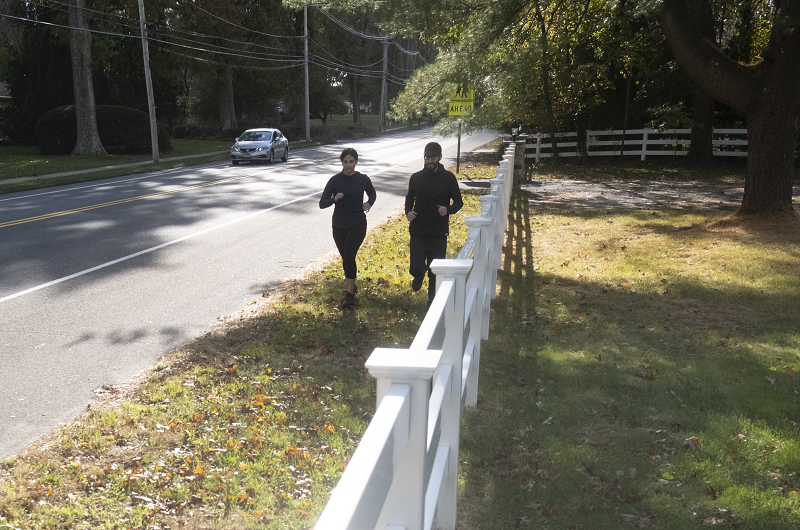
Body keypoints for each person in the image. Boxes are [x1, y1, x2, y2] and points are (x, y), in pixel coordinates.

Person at [405, 141, 463, 307]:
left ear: (439, 157)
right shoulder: (416, 178)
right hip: (418, 230)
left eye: (432, 157)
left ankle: (432, 303)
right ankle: (418, 274)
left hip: (438, 232)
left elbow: (458, 202)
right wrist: (408, 211)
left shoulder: (448, 178)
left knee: (435, 271)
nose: (429, 161)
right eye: (426, 157)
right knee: (416, 264)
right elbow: (409, 198)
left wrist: (448, 209)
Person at [319, 148, 376, 309]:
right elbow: (322, 203)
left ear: (356, 162)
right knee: (346, 258)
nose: (349, 165)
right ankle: (352, 284)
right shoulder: (335, 180)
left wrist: (369, 203)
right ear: (342, 162)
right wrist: (334, 199)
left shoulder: (363, 179)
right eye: (346, 162)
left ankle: (349, 295)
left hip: (357, 223)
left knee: (350, 256)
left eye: (351, 161)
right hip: (339, 225)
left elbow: (372, 194)